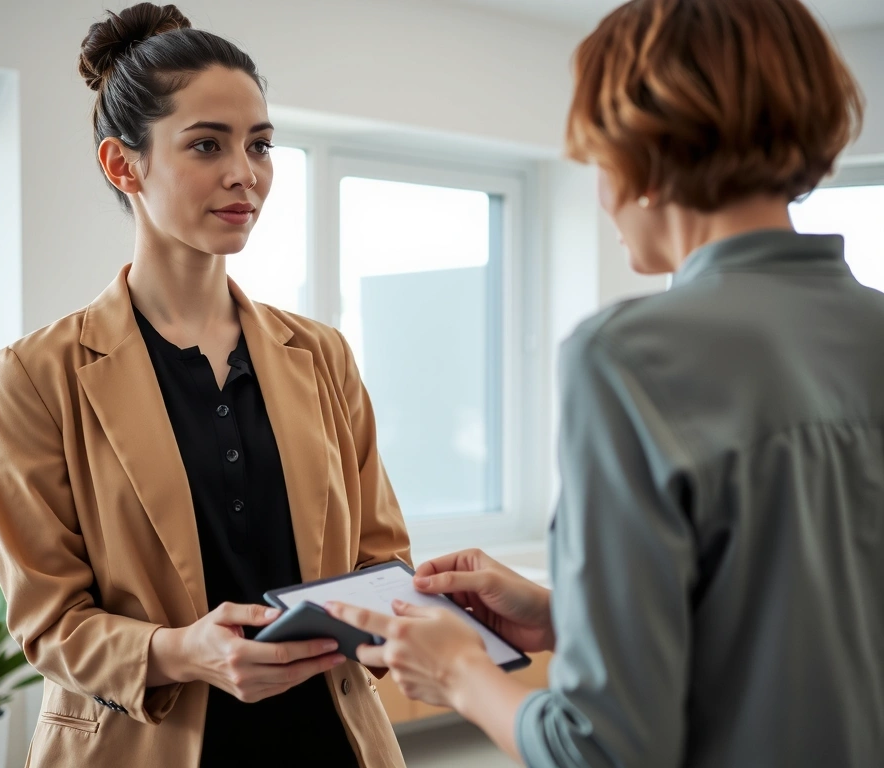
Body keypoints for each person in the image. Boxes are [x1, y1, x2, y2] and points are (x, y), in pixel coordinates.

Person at [327, 0, 884, 765]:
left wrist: (457, 670)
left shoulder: (630, 356)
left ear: (644, 153)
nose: (599, 190)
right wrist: (569, 620)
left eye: (596, 156)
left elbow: (604, 750)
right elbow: (814, 631)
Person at [0, 4, 410, 766]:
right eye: (207, 145)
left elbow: (380, 557)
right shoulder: (36, 377)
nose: (246, 173)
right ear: (123, 165)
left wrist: (407, 616)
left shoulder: (323, 354)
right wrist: (182, 651)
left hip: (329, 741)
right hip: (144, 743)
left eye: (261, 144)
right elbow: (48, 622)